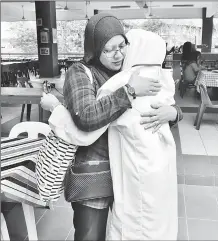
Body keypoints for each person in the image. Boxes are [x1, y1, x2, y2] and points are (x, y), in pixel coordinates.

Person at [41, 13, 182, 241]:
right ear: (95, 48)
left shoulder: (131, 70)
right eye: (108, 49)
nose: (118, 54)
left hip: (127, 175)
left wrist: (174, 114)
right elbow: (85, 117)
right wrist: (130, 91)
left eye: (122, 46)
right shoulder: (80, 72)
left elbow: (161, 104)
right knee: (90, 236)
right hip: (96, 175)